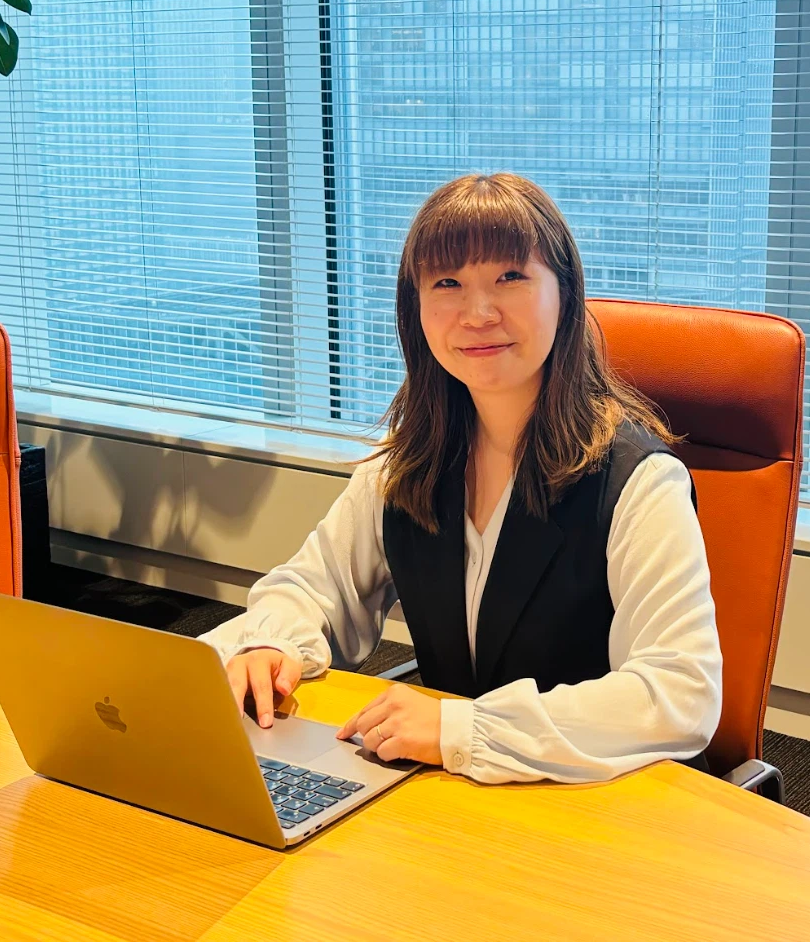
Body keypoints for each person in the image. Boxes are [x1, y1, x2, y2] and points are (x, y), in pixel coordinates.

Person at [197, 173, 722, 783]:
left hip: (599, 798)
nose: (478, 313)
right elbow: (316, 588)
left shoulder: (637, 481)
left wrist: (463, 729)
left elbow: (678, 692)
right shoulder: (406, 466)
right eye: (447, 283)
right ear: (416, 308)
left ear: (565, 296)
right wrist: (269, 644)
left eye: (511, 277)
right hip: (451, 793)